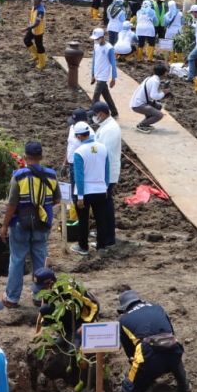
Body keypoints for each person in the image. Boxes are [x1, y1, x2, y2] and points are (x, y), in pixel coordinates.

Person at [0, 141, 59, 307]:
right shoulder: (51, 175)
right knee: (40, 259)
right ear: (41, 157)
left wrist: (4, 225)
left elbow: (12, 203)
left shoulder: (19, 176)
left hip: (20, 224)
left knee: (17, 260)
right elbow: (57, 199)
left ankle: (12, 298)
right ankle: (40, 296)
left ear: (25, 157)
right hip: (42, 224)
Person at [117, 289, 191, 392]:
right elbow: (170, 331)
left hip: (149, 356)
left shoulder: (124, 320)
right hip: (173, 348)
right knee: (174, 357)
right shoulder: (157, 307)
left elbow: (130, 352)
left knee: (128, 388)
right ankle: (185, 387)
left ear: (124, 307)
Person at [72, 120, 114, 254]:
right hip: (101, 190)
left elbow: (79, 177)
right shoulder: (103, 148)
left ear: (79, 136)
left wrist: (79, 196)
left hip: (85, 193)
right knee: (101, 219)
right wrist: (106, 187)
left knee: (83, 220)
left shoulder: (79, 152)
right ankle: (101, 246)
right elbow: (107, 171)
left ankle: (83, 246)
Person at [92, 100, 122, 197]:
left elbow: (105, 153)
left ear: (101, 114)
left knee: (105, 201)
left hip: (107, 173)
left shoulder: (111, 129)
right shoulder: (105, 126)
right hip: (102, 172)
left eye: (95, 114)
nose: (94, 117)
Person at [131, 62, 169, 133]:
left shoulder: (150, 78)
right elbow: (154, 96)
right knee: (159, 115)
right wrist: (164, 93)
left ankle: (146, 122)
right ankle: (142, 125)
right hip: (138, 105)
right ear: (163, 73)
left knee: (158, 106)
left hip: (136, 102)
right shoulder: (155, 81)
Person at [88, 28, 119, 116]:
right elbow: (94, 60)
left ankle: (92, 114)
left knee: (96, 96)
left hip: (103, 75)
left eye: (97, 39)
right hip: (98, 73)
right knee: (106, 94)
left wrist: (113, 78)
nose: (95, 40)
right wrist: (93, 74)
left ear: (102, 37)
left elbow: (113, 64)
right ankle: (114, 111)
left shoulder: (109, 48)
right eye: (95, 39)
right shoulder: (96, 45)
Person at [24, 0, 48, 70]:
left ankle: (42, 62)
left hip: (38, 30)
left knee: (39, 46)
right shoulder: (35, 6)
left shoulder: (40, 10)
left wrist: (27, 28)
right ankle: (36, 55)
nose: (32, 1)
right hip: (33, 28)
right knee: (26, 40)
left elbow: (37, 23)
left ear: (38, 0)